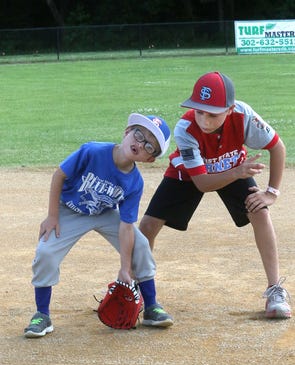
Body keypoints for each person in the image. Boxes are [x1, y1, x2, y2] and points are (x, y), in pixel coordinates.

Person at [139, 71, 291, 319]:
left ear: (230, 109)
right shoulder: (186, 128)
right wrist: (238, 172)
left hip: (232, 166)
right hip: (191, 175)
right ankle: (136, 287)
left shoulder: (243, 116)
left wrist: (271, 193)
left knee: (260, 212)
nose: (205, 120)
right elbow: (202, 183)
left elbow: (277, 146)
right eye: (199, 111)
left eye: (213, 113)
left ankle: (275, 289)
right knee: (148, 225)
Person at [24, 113, 174, 338]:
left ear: (150, 159)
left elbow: (125, 226)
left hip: (104, 213)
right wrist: (52, 216)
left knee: (140, 245)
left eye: (149, 145)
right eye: (139, 134)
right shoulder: (93, 151)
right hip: (69, 210)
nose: (140, 143)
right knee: (46, 252)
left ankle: (151, 306)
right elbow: (59, 176)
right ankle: (42, 314)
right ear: (126, 132)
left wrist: (125, 268)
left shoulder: (135, 182)